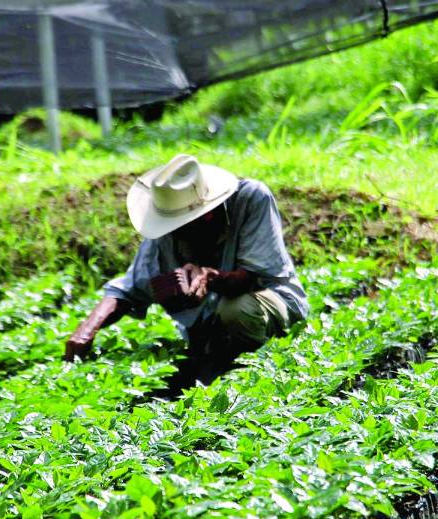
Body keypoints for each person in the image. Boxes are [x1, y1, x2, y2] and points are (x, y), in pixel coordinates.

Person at [64, 154, 308, 374]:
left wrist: (209, 278)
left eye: (184, 223)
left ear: (208, 213)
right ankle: (214, 357)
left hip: (271, 303)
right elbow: (126, 290)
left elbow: (252, 277)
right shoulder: (166, 231)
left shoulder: (250, 199)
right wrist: (87, 330)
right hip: (211, 328)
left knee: (236, 309)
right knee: (207, 339)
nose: (176, 232)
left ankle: (254, 370)